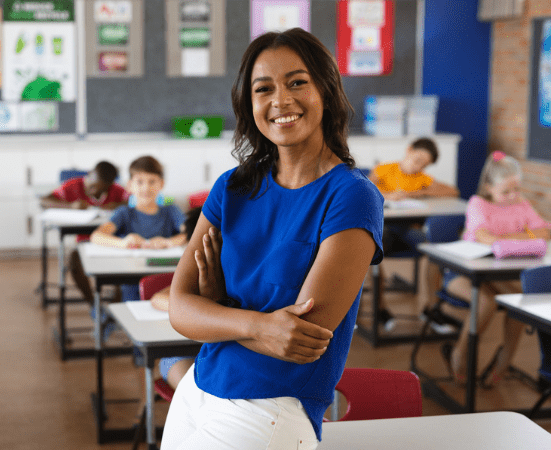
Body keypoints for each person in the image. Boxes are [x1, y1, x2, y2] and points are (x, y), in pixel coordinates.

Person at [162, 28, 384, 449]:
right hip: (198, 387)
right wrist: (257, 323)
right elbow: (180, 308)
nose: (280, 100)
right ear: (250, 105)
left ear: (326, 90)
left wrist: (218, 312)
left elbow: (299, 339)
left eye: (297, 82)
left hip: (269, 408)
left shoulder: (352, 195)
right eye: (263, 89)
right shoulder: (232, 188)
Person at [431, 151, 550, 387]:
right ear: (488, 187)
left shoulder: (521, 204)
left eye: (517, 189)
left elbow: (545, 232)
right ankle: (460, 353)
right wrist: (524, 236)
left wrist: (503, 238)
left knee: (520, 302)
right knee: (486, 302)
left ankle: (504, 361)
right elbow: (483, 236)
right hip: (462, 274)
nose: (513, 196)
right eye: (506, 191)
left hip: (500, 273)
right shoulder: (478, 204)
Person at [368, 137, 460, 331]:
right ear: (409, 150)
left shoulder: (420, 179)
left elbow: (452, 191)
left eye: (424, 165)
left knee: (435, 251)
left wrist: (417, 193)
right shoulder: (385, 169)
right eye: (417, 159)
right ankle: (381, 307)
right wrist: (388, 195)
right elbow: (367, 187)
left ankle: (430, 308)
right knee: (369, 250)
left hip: (407, 231)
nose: (418, 166)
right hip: (382, 229)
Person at [90, 155, 187, 302]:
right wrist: (123, 243)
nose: (146, 187)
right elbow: (96, 236)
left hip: (167, 279)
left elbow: (191, 232)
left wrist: (169, 242)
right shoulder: (124, 213)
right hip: (132, 281)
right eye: (140, 181)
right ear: (129, 185)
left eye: (152, 181)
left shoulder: (171, 210)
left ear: (161, 184)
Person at [40, 161, 129, 304]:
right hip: (85, 243)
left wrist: (118, 205)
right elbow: (44, 201)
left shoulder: (116, 191)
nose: (92, 191)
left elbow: (137, 201)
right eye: (91, 185)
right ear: (89, 174)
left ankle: (112, 311)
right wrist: (70, 206)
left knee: (125, 265)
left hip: (112, 242)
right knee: (74, 261)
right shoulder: (74, 185)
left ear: (109, 186)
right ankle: (93, 303)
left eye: (98, 189)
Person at [148, 206, 200, 389]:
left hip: (227, 354)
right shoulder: (195, 272)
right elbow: (158, 299)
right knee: (193, 393)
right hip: (183, 354)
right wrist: (198, 309)